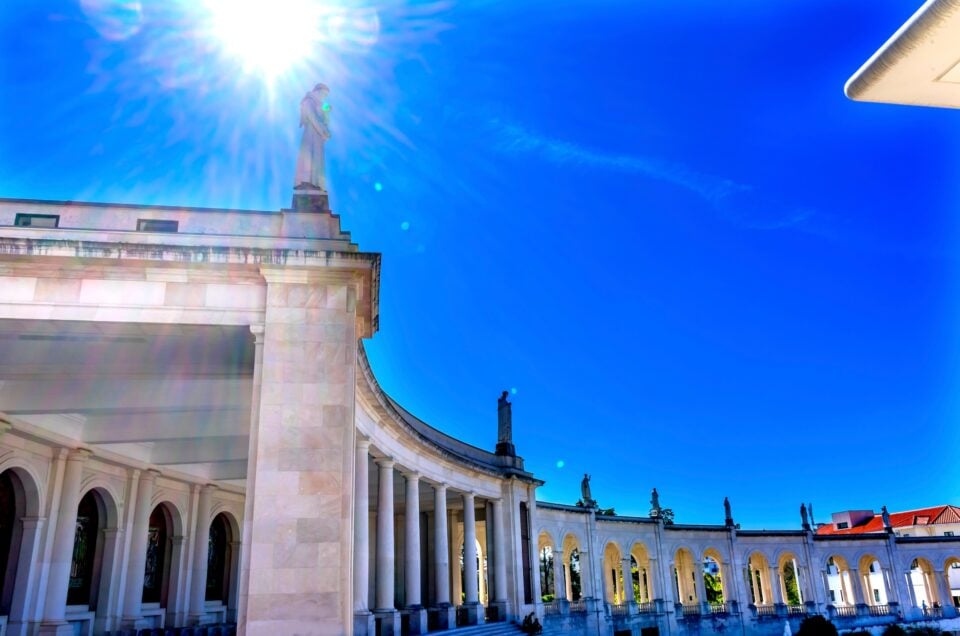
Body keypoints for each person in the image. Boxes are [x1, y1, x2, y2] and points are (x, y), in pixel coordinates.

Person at [294, 83, 332, 190]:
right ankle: (305, 182)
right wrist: (322, 130)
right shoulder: (308, 100)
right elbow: (312, 116)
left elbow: (325, 119)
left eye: (326, 95)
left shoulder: (321, 104)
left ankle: (316, 183)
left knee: (317, 160)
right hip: (311, 133)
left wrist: (327, 113)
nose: (324, 97)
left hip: (318, 136)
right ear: (317, 91)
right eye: (323, 94)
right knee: (308, 157)